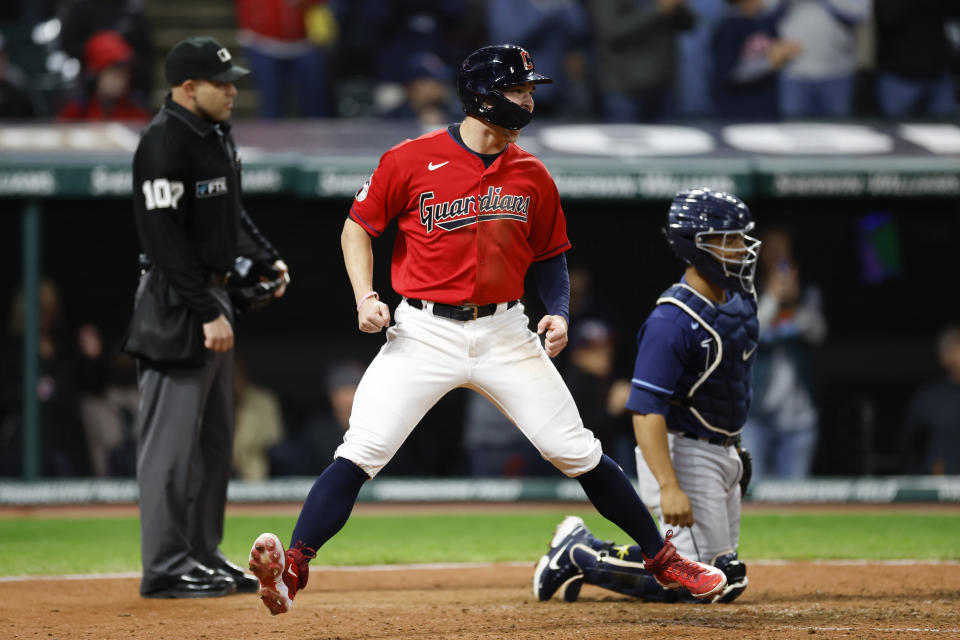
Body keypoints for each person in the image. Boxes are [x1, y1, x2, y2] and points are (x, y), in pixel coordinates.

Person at [246, 44, 726, 616]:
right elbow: (357, 230)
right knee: (363, 449)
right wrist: (365, 297)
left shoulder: (531, 172)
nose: (528, 99)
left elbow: (551, 254)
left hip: (504, 330)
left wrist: (560, 310)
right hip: (423, 331)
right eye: (519, 90)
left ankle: (663, 560)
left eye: (528, 90)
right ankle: (294, 565)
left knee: (576, 451)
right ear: (482, 97)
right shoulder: (410, 158)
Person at [533, 188, 761, 605]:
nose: (741, 249)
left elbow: (725, 389)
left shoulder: (740, 302)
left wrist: (732, 449)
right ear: (696, 245)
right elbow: (644, 410)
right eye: (728, 240)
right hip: (680, 451)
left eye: (741, 238)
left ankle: (589, 550)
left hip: (719, 451)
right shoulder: (672, 320)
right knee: (701, 587)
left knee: (726, 577)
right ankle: (581, 552)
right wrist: (669, 485)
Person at [125, 35, 290, 599]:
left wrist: (265, 258)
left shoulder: (214, 133)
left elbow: (230, 214)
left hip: (211, 298)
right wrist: (204, 310)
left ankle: (199, 554)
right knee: (171, 448)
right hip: (177, 301)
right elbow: (162, 238)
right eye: (221, 82)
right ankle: (166, 566)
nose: (232, 89)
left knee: (215, 442)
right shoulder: (163, 140)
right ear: (187, 87)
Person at [741, 227, 826, 479]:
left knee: (794, 499)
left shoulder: (807, 292)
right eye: (773, 249)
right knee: (753, 493)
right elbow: (747, 335)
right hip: (756, 414)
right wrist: (774, 298)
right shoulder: (747, 291)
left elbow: (817, 334)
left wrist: (795, 301)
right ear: (762, 253)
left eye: (784, 249)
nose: (779, 255)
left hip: (799, 418)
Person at [587, 0, 696, 122]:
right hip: (625, 88)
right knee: (624, 140)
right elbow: (612, 32)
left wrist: (678, 7)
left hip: (663, 85)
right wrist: (658, 10)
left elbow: (689, 24)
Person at [773, 0, 870, 118]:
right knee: (793, 130)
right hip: (794, 71)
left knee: (838, 131)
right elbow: (764, 10)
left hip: (837, 72)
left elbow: (859, 15)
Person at [711, 0, 803, 119]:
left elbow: (776, 59)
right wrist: (770, 62)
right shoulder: (728, 28)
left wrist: (786, 55)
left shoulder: (766, 24)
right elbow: (730, 74)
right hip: (737, 110)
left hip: (767, 106)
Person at [874, 0, 960, 118]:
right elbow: (886, 17)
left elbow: (953, 10)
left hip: (938, 75)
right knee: (895, 129)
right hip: (898, 76)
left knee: (946, 130)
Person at [901, 326, 960, 475]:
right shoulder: (930, 398)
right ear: (945, 357)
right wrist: (923, 476)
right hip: (939, 488)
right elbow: (909, 444)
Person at [57, 30, 151, 122]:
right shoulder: (76, 112)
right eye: (114, 72)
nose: (123, 79)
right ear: (95, 75)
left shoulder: (137, 112)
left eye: (125, 72)